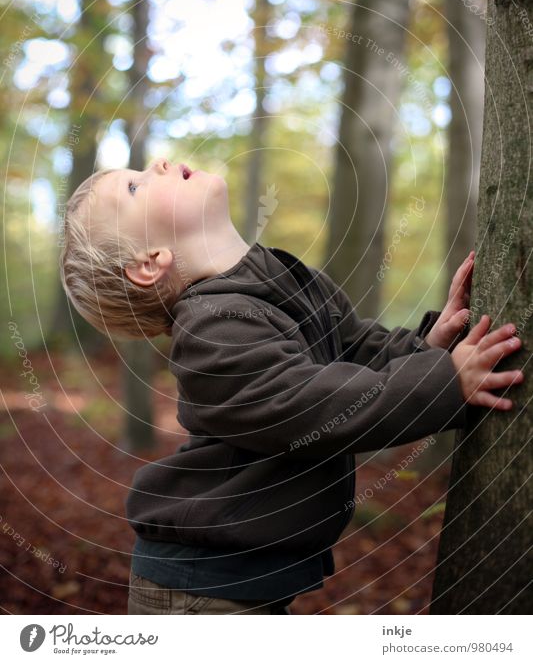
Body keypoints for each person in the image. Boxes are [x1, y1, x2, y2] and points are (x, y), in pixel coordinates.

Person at [59, 157, 524, 615]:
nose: (157, 163)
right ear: (149, 263)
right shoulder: (209, 331)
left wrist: (429, 345)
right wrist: (445, 382)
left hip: (246, 578)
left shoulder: (280, 277)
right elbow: (313, 405)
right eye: (135, 188)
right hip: (200, 588)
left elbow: (351, 355)